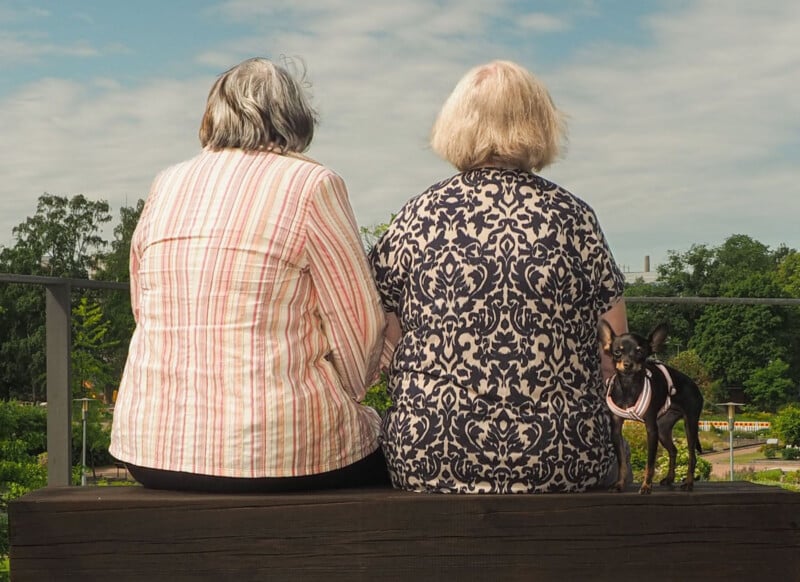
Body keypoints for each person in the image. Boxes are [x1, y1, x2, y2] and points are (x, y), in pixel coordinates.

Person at [110, 57, 390, 492]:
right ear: (294, 117)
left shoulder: (166, 183)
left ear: (212, 116)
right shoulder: (313, 184)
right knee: (389, 451)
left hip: (150, 452)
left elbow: (141, 305)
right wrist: (355, 392)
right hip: (276, 451)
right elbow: (360, 323)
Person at [369, 60, 628, 493]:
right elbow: (613, 352)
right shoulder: (574, 217)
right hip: (564, 459)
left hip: (432, 457)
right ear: (540, 124)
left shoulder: (418, 215)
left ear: (455, 124)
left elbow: (380, 334)